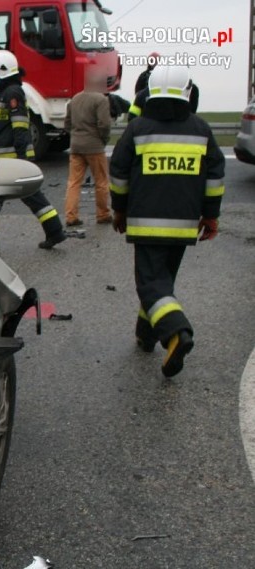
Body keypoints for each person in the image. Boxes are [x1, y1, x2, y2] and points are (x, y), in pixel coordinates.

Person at [109, 65, 225, 378]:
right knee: (162, 282)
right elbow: (215, 175)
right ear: (189, 93)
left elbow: (118, 174)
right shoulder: (201, 129)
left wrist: (118, 210)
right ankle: (146, 334)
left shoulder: (138, 129)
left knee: (150, 283)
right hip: (185, 224)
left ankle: (177, 332)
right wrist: (210, 215)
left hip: (146, 224)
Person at [0, 49, 66, 249]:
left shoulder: (12, 93)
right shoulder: (6, 92)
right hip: (8, 157)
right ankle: (55, 231)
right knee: (31, 196)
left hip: (11, 159)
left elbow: (19, 126)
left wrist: (20, 158)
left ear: (2, 70)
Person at [63, 66, 112, 227]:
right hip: (95, 146)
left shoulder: (74, 99)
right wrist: (103, 140)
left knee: (74, 182)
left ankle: (71, 216)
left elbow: (67, 124)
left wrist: (76, 135)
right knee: (101, 181)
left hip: (76, 146)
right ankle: (103, 214)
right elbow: (104, 124)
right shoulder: (101, 100)